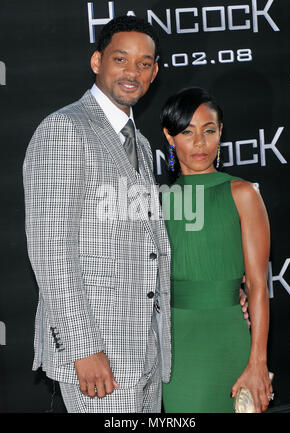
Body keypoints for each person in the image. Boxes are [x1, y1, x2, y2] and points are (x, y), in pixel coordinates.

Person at [23, 16, 248, 413]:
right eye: (121, 59)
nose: (133, 72)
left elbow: (149, 247)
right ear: (97, 61)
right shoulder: (64, 130)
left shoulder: (141, 144)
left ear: (155, 72)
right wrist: (83, 347)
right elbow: (51, 250)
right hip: (97, 355)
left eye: (145, 63)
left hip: (147, 348)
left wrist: (227, 292)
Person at [161, 87, 273, 413]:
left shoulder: (242, 194)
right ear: (170, 137)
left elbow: (256, 286)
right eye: (187, 132)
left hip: (228, 337)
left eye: (209, 131)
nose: (200, 143)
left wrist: (257, 362)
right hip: (175, 346)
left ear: (220, 132)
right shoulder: (155, 202)